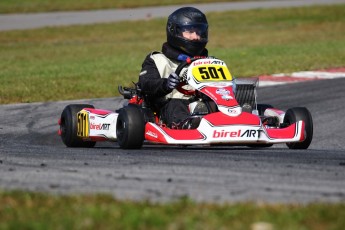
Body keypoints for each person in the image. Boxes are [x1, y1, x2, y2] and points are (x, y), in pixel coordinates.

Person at [138, 7, 209, 128]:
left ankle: (237, 119)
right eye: (190, 31)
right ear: (174, 32)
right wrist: (165, 84)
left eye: (199, 32)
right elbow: (146, 83)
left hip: (200, 104)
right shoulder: (157, 60)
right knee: (175, 104)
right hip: (168, 106)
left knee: (217, 102)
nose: (196, 37)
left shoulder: (209, 62)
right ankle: (186, 124)